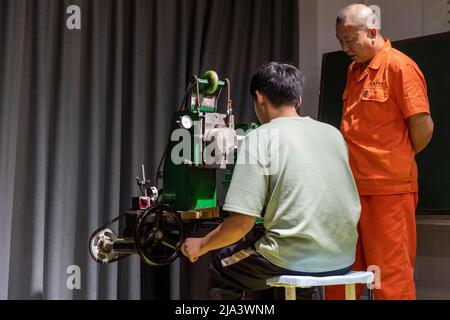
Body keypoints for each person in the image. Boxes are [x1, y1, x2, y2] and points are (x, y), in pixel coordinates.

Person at [181, 62, 361, 300]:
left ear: (259, 97)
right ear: (298, 100)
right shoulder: (333, 134)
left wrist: (201, 244)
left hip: (291, 258)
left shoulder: (260, 137)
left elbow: (241, 224)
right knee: (301, 277)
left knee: (221, 264)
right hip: (342, 256)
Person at [327, 4, 434, 300]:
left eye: (350, 39)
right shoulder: (353, 70)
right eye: (340, 40)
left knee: (390, 282)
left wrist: (393, 158)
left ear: (372, 32)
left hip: (389, 193)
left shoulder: (400, 67)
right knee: (341, 280)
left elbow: (423, 127)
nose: (344, 47)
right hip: (351, 191)